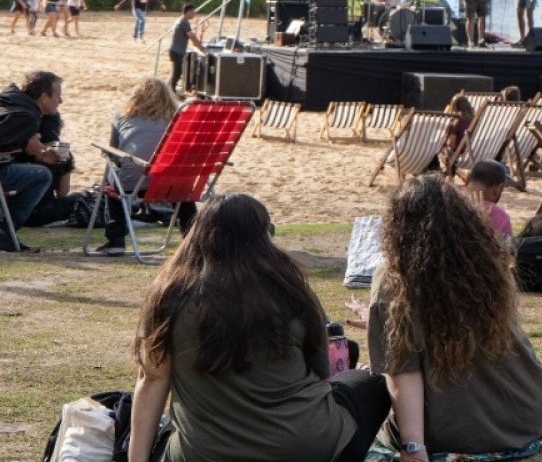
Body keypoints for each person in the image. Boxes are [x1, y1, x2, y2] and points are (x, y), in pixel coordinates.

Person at [129, 194, 390, 462]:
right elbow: (322, 370)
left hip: (204, 452)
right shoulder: (292, 289)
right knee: (373, 382)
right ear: (264, 237)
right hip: (306, 447)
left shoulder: (168, 295)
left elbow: (152, 378)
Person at [368, 175, 542, 458]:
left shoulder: (393, 280)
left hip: (455, 431)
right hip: (526, 413)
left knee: (368, 388)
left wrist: (413, 447)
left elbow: (403, 370)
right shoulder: (489, 263)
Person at [96, 79, 189, 256]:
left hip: (132, 183)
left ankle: (116, 240)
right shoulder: (178, 118)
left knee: (112, 179)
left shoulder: (122, 116)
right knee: (183, 193)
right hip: (169, 184)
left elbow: (113, 151)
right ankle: (193, 240)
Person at [0, 71, 65, 252]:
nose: (61, 101)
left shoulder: (9, 101)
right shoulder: (27, 116)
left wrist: (35, 150)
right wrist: (26, 143)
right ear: (44, 98)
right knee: (42, 176)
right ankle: (5, 232)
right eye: (58, 96)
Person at [464, 160, 512, 239]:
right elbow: (507, 249)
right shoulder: (502, 218)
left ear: (467, 179)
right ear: (497, 190)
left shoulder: (448, 202)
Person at [167, 4, 204, 91]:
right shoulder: (184, 22)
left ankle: (169, 89)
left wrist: (197, 44)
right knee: (177, 73)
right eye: (193, 12)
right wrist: (201, 48)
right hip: (177, 51)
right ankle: (172, 91)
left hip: (174, 50)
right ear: (188, 12)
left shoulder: (180, 20)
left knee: (175, 72)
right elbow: (192, 36)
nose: (194, 14)